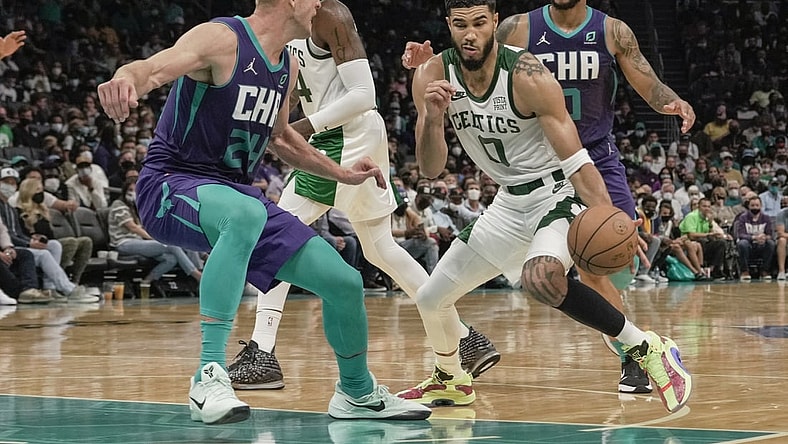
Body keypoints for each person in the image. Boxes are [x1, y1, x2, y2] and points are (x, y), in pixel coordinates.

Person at [97, 0, 430, 425]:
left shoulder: (286, 65)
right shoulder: (222, 38)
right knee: (245, 213)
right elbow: (152, 69)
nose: (320, 7)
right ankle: (209, 375)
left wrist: (344, 175)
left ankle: (357, 393)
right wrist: (123, 79)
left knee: (344, 282)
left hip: (236, 199)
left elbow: (282, 139)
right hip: (170, 185)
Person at [395, 0, 691, 414]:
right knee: (430, 299)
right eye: (460, 24)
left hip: (558, 193)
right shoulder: (431, 73)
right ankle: (451, 379)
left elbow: (576, 160)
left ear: (494, 23)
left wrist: (608, 217)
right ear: (448, 25)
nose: (470, 34)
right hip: (508, 203)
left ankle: (648, 347)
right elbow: (430, 168)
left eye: (479, 23)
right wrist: (430, 115)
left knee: (542, 278)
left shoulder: (528, 74)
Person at [227, 0, 499, 392]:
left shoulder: (330, 15)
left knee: (274, 235)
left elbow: (363, 94)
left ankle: (262, 353)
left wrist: (301, 126)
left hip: (345, 136)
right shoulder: (277, 25)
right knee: (379, 249)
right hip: (343, 136)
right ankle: (463, 337)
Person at [107, 179, 203, 285]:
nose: (132, 193)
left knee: (171, 258)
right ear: (124, 191)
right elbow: (133, 228)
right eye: (130, 190)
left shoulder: (134, 208)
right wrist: (155, 238)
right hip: (123, 243)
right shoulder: (118, 205)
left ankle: (146, 281)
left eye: (135, 190)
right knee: (172, 245)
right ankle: (197, 276)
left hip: (138, 242)